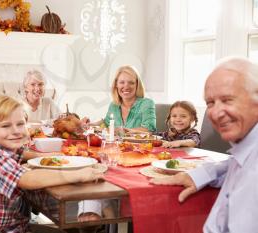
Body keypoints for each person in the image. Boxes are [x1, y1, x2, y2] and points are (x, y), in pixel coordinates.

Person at [150, 57, 258, 233]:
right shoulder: (246, 152)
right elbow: (232, 164)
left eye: (228, 99)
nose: (215, 112)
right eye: (210, 103)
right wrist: (196, 176)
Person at [0, 96, 104, 232]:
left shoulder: (6, 150)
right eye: (6, 126)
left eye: (20, 124)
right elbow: (27, 179)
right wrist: (78, 174)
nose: (15, 131)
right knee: (83, 219)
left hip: (17, 227)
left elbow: (22, 154)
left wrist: (48, 156)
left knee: (80, 217)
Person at [88, 65, 156, 132]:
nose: (126, 86)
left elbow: (149, 129)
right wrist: (91, 125)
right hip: (116, 143)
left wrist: (124, 131)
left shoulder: (147, 104)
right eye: (122, 82)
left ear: (137, 85)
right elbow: (107, 123)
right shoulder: (114, 105)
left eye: (131, 83)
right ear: (116, 85)